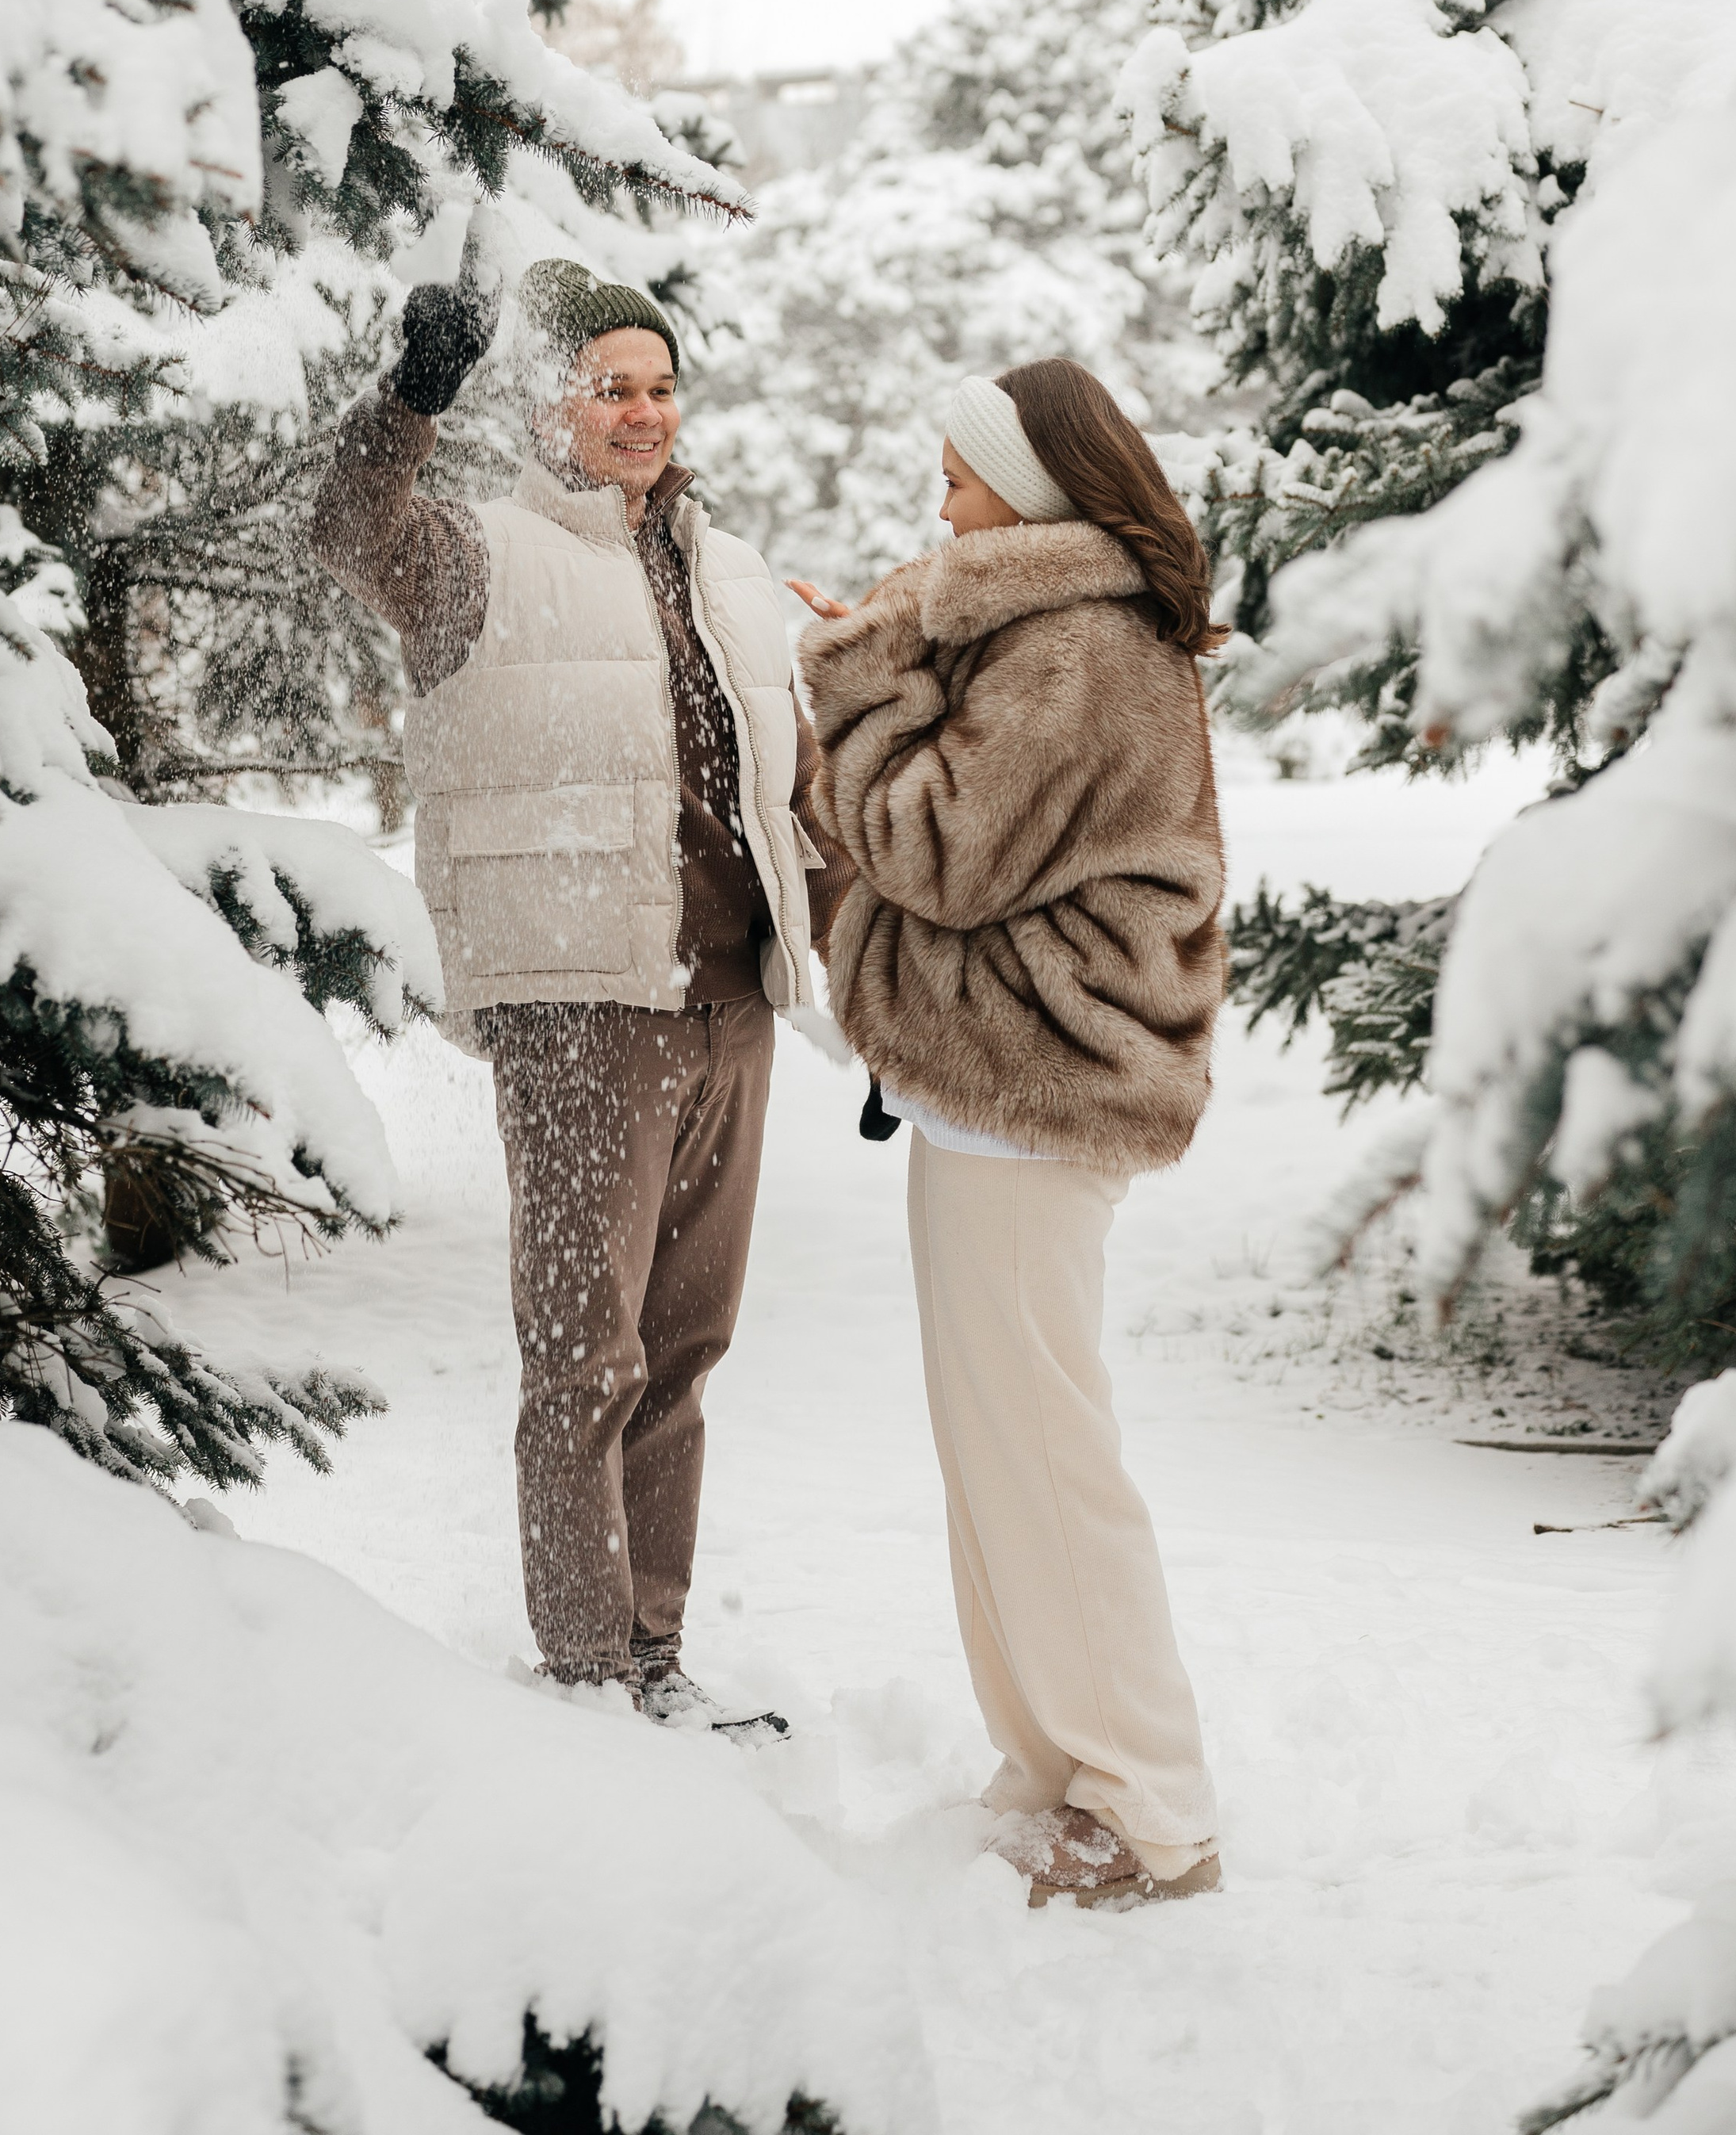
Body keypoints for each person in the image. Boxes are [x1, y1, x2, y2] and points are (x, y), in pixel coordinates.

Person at [315, 258, 849, 1735]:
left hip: (729, 999)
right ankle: (588, 1676)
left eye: (661, 386)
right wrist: (411, 396)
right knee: (585, 1356)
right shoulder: (477, 553)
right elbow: (345, 528)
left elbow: (790, 788)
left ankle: (653, 1659)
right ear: (547, 404)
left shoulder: (729, 569)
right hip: (579, 1005)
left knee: (684, 1346)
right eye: (609, 385)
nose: (642, 413)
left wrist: (871, 982)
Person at [792, 357, 1227, 1907]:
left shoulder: (1076, 644)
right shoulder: (1052, 630)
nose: (940, 498)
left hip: (1041, 1087)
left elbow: (932, 847)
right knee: (999, 1444)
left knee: (1042, 1445)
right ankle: (1052, 1757)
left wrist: (846, 671)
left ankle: (1150, 1807)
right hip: (1008, 1083)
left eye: (960, 476)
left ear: (1031, 488)